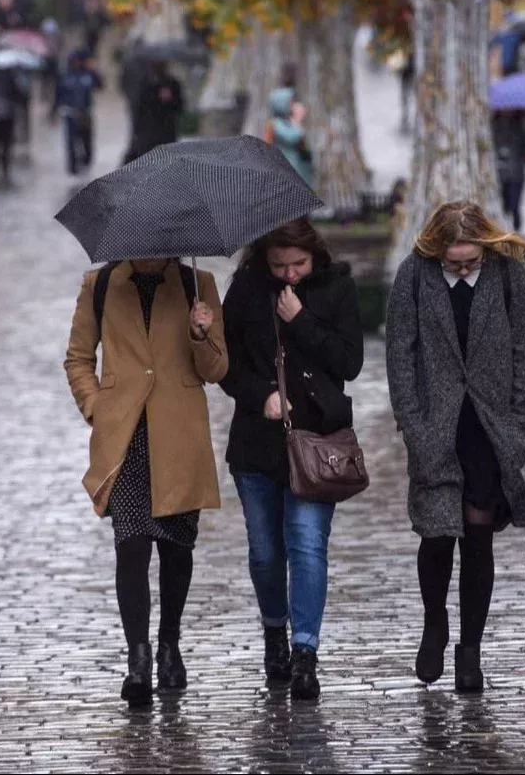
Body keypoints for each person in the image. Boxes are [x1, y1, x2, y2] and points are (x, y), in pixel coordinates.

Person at [385, 201, 525, 693]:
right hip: (436, 426)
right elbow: (399, 355)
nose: (462, 268)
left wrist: (519, 424)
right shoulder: (414, 276)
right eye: (453, 262)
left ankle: (470, 650)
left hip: (490, 429)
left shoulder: (507, 276)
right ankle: (436, 622)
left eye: (470, 260)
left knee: (478, 537)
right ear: (437, 251)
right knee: (435, 533)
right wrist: (412, 423)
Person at [64, 257, 228, 706]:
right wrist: (98, 409)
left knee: (177, 548)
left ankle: (168, 645)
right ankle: (138, 658)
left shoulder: (199, 283)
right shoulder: (100, 285)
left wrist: (201, 334)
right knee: (132, 545)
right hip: (125, 438)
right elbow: (78, 358)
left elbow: (216, 370)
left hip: (179, 435)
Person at [219, 218, 363, 701]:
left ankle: (305, 654)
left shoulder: (336, 287)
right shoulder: (245, 290)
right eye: (278, 265)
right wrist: (260, 395)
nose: (288, 274)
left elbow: (350, 362)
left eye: (297, 264)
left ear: (313, 256)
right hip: (257, 445)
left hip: (316, 443)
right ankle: (275, 632)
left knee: (306, 546)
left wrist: (300, 319)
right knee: (265, 553)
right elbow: (225, 366)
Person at [52, 49, 103, 176]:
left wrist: (93, 70)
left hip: (85, 113)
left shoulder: (88, 74)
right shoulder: (64, 75)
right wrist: (53, 111)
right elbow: (57, 94)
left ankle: (85, 162)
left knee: (87, 141)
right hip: (70, 113)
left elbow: (100, 85)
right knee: (70, 141)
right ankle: (72, 167)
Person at [124, 60, 182, 164]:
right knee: (147, 163)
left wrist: (170, 99)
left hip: (166, 131)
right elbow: (138, 108)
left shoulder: (172, 83)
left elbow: (179, 106)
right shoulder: (144, 84)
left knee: (166, 162)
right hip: (148, 133)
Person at [263, 87, 313, 188]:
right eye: (291, 103)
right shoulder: (275, 124)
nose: (293, 106)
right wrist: (297, 121)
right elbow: (293, 137)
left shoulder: (287, 123)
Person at [492, 109, 525, 232]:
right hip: (500, 173)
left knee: (515, 205)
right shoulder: (493, 126)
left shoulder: (521, 126)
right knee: (504, 204)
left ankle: (516, 232)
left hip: (516, 173)